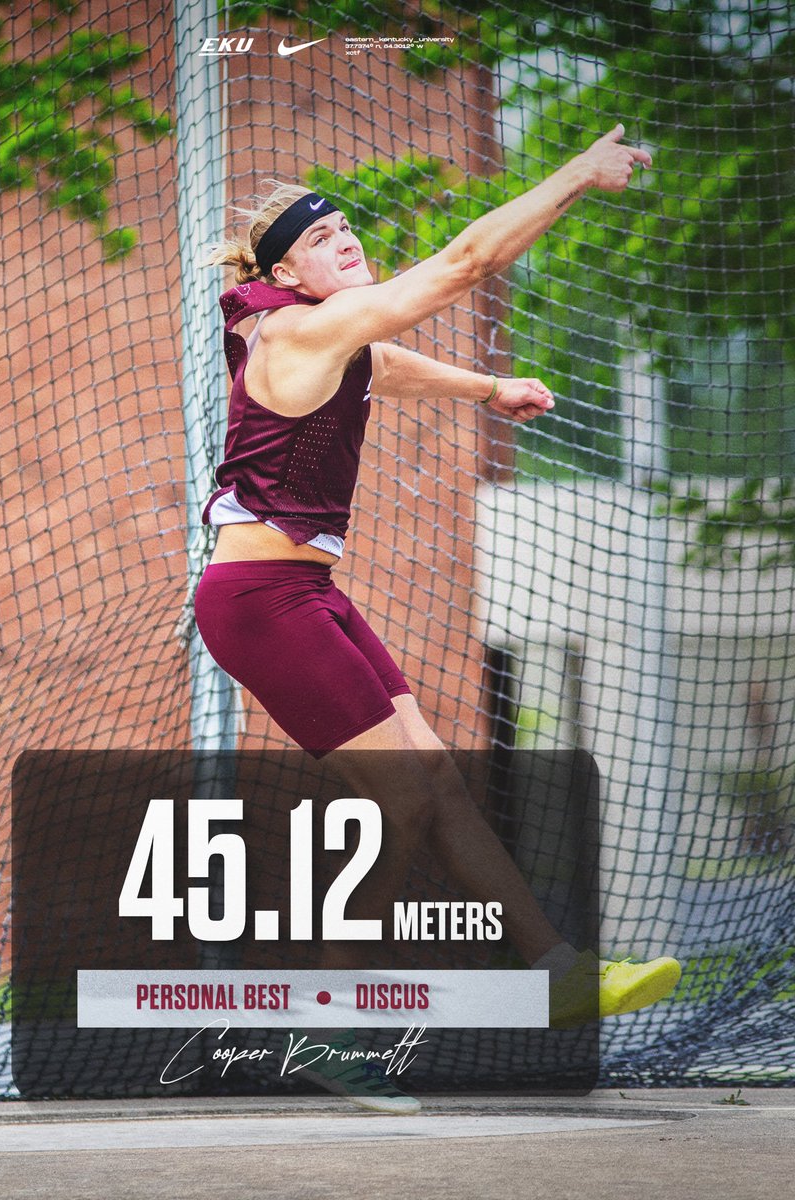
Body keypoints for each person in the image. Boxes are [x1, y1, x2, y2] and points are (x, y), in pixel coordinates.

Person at [195, 126, 681, 1112]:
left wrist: (488, 388)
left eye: (346, 227)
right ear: (286, 269)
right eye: (321, 236)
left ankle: (557, 977)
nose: (345, 239)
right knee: (411, 795)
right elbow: (469, 260)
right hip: (258, 603)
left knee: (440, 786)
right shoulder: (293, 330)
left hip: (303, 595)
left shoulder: (326, 339)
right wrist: (578, 176)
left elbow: (388, 368)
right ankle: (326, 1026)